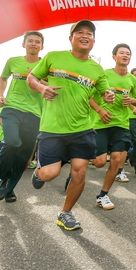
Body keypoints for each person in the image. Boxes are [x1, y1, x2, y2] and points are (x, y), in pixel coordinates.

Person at [28, 20, 113, 230]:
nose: (85, 36)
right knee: (50, 174)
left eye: (89, 34)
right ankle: (38, 171)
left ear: (93, 41)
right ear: (71, 38)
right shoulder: (53, 57)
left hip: (82, 128)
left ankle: (65, 212)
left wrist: (108, 95)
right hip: (52, 128)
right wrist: (41, 88)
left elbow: (104, 92)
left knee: (80, 172)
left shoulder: (96, 69)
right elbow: (32, 77)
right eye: (80, 32)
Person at [0, 31, 45, 203]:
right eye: (30, 41)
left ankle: (10, 188)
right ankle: (3, 178)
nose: (33, 44)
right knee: (11, 142)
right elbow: (3, 78)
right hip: (12, 108)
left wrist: (37, 79)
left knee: (23, 155)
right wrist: (0, 94)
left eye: (37, 42)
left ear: (41, 46)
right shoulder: (13, 61)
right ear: (24, 44)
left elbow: (53, 86)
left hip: (35, 113)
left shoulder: (46, 65)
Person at [90, 43, 136, 209]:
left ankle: (103, 195)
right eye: (122, 53)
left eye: (128, 53)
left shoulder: (132, 79)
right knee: (99, 162)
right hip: (102, 123)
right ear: (114, 56)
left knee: (116, 159)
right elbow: (89, 96)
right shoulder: (104, 74)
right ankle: (80, 159)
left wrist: (131, 101)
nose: (125, 55)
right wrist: (99, 110)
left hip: (121, 124)